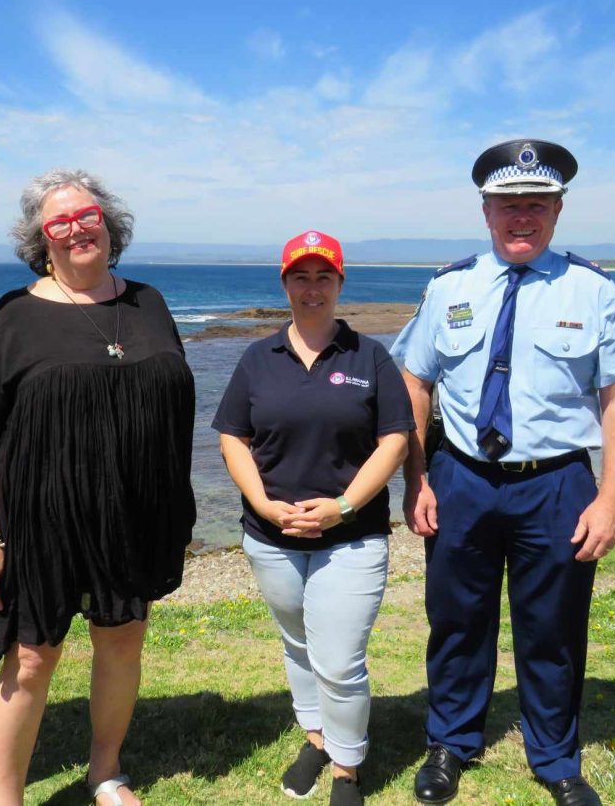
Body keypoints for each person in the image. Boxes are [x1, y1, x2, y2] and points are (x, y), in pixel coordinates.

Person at [393, 140, 615, 806]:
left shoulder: (591, 290)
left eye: (536, 204)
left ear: (558, 210)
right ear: (486, 210)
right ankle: (451, 742)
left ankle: (557, 758)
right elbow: (415, 382)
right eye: (508, 204)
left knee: (555, 626)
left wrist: (612, 500)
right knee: (456, 618)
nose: (522, 217)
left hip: (557, 482)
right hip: (461, 477)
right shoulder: (449, 286)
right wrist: (415, 478)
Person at [0, 169, 196, 806]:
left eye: (85, 215)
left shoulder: (148, 302)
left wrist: (175, 505)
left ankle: (104, 770)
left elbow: (170, 407)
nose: (75, 229)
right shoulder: (14, 317)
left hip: (131, 513)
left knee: (122, 640)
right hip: (41, 520)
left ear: (107, 223)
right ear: (41, 239)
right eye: (58, 222)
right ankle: (7, 797)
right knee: (32, 657)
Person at [213, 231, 413, 806]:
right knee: (297, 644)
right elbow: (233, 436)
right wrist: (261, 503)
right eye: (300, 276)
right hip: (271, 538)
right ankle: (316, 738)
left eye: (323, 276)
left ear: (340, 283)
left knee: (341, 658)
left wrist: (343, 507)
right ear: (284, 284)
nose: (312, 288)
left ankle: (348, 769)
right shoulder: (258, 358)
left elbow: (395, 440)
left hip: (351, 538)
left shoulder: (369, 356)